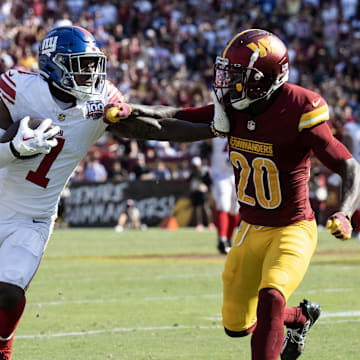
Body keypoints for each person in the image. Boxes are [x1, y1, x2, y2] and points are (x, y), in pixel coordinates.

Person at [128, 29, 360, 360]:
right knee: (236, 325)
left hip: (293, 229)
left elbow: (350, 167)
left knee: (271, 297)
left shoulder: (299, 108)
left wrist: (344, 211)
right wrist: (127, 111)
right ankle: (300, 317)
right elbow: (173, 117)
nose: (227, 83)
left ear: (265, 79)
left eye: (238, 76)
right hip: (249, 229)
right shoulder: (235, 107)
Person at [0, 25, 135, 360]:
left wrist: (210, 128)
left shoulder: (102, 99)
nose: (90, 72)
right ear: (54, 64)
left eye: (92, 63)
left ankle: (2, 347)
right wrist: (11, 147)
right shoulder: (18, 88)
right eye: (81, 64)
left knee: (8, 291)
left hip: (33, 218)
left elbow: (154, 123)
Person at [211, 137, 239, 254]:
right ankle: (222, 238)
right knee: (223, 205)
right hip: (221, 174)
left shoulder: (240, 129)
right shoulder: (216, 134)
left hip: (238, 173)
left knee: (235, 209)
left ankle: (228, 239)